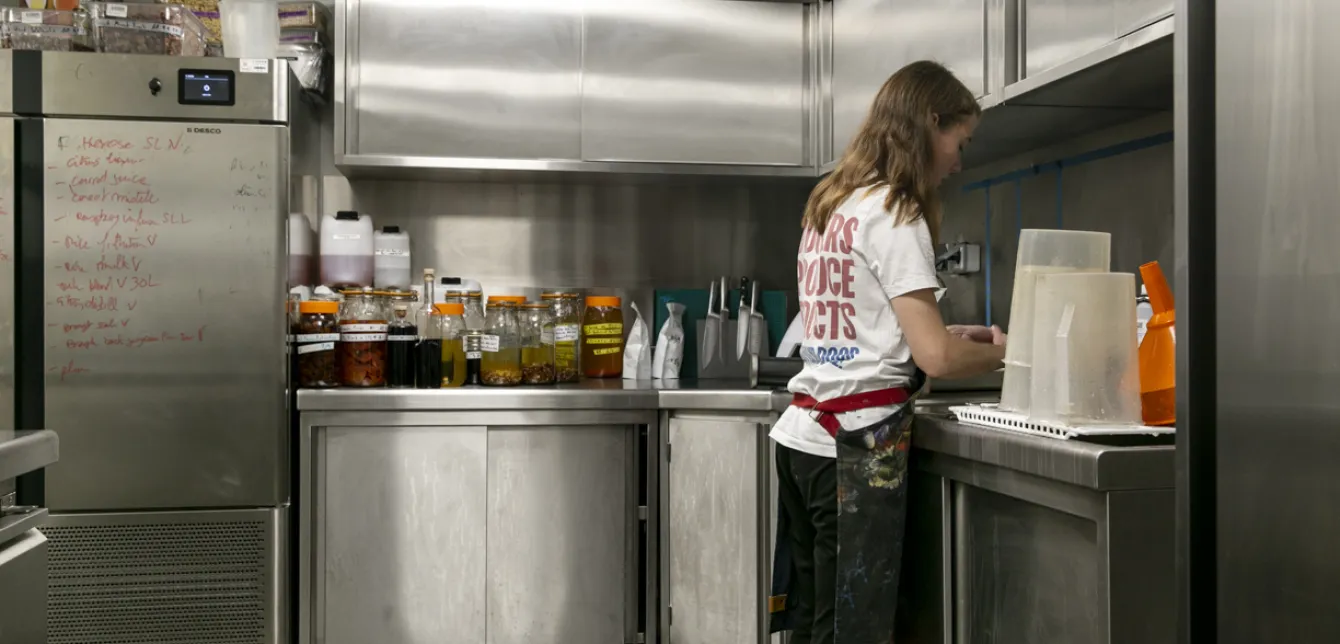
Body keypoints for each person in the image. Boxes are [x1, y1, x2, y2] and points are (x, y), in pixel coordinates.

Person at [768, 61, 1007, 644]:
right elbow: (937, 360)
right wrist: (1010, 351)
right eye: (959, 140)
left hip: (803, 440)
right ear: (930, 122)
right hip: (854, 448)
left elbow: (864, 330)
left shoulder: (833, 204)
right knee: (852, 632)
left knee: (813, 627)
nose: (959, 159)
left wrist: (955, 336)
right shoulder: (897, 211)